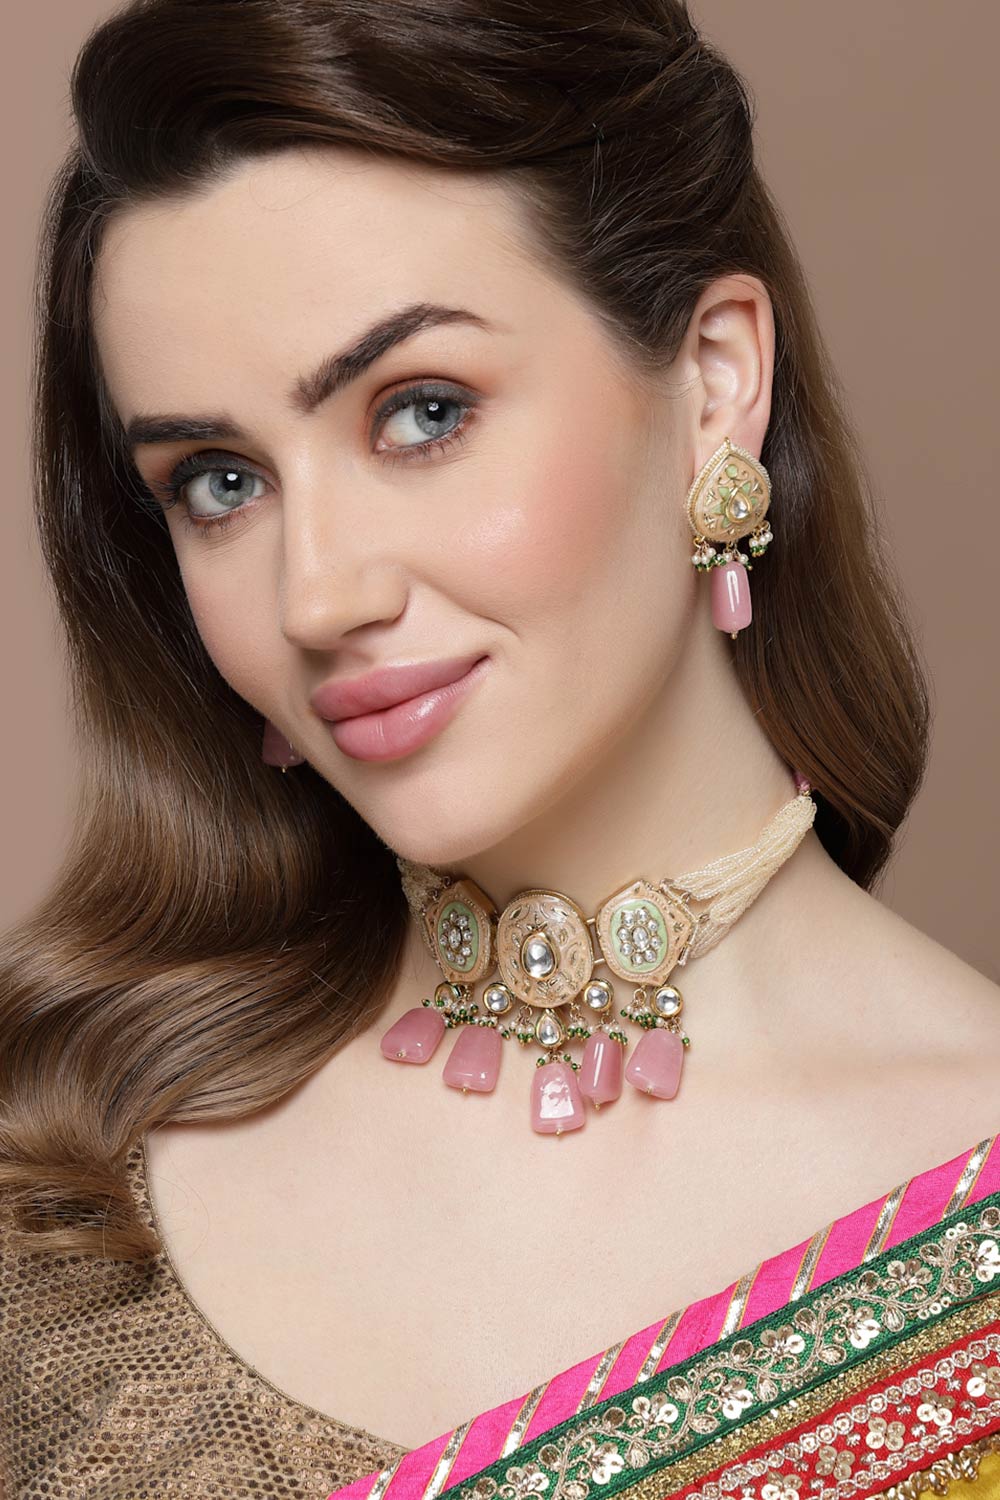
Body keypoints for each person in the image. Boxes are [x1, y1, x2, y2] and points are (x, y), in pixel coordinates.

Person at [0, 0, 997, 1495]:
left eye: (422, 413)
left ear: (714, 381)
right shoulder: (58, 1193)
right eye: (218, 481)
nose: (317, 596)